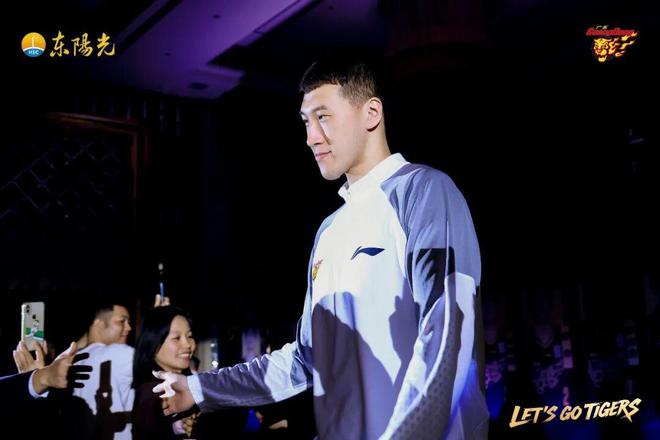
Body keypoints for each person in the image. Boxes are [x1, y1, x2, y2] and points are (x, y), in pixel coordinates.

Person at [154, 52, 488, 439]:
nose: (311, 137)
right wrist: (198, 389)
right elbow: (304, 359)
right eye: (306, 122)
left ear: (371, 113)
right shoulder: (329, 231)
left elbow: (449, 334)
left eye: (323, 117)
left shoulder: (423, 192)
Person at [133, 305, 200, 439]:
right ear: (153, 343)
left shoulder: (188, 382)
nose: (188, 344)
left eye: (190, 336)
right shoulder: (153, 392)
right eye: (176, 338)